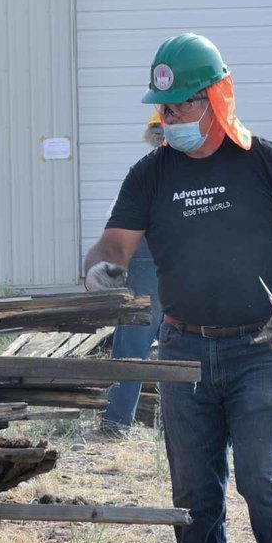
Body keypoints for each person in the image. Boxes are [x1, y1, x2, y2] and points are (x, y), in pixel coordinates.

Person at [83, 32, 272, 543]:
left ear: (219, 97)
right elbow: (111, 248)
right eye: (165, 107)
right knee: (194, 493)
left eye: (185, 105)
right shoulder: (151, 174)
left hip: (263, 350)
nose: (172, 118)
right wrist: (101, 271)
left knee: (262, 481)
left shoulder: (265, 163)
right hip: (183, 350)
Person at [98, 112, 165, 435]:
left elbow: (117, 228)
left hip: (147, 266)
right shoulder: (192, 173)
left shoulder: (143, 175)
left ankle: (115, 424)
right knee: (185, 348)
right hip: (163, 265)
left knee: (133, 347)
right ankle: (183, 428)